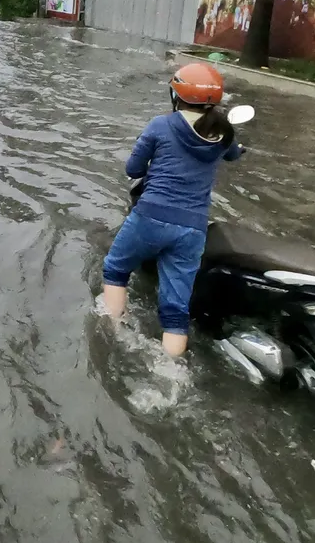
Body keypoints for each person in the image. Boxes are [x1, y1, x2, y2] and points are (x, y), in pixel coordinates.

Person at [101, 63, 243, 356]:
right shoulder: (223, 134)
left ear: (177, 94)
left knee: (115, 269)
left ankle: (114, 337)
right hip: (192, 229)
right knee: (176, 310)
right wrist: (238, 150)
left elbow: (133, 168)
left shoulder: (160, 125)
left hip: (150, 217)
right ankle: (171, 371)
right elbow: (232, 155)